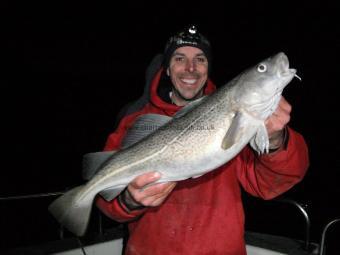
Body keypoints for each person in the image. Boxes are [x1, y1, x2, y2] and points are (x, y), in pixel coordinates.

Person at [95, 25, 309, 255]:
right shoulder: (134, 122)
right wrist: (129, 201)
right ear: (167, 68)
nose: (191, 68)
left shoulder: (241, 124)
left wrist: (276, 139)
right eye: (179, 58)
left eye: (200, 59)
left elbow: (270, 182)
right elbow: (103, 197)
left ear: (208, 67)